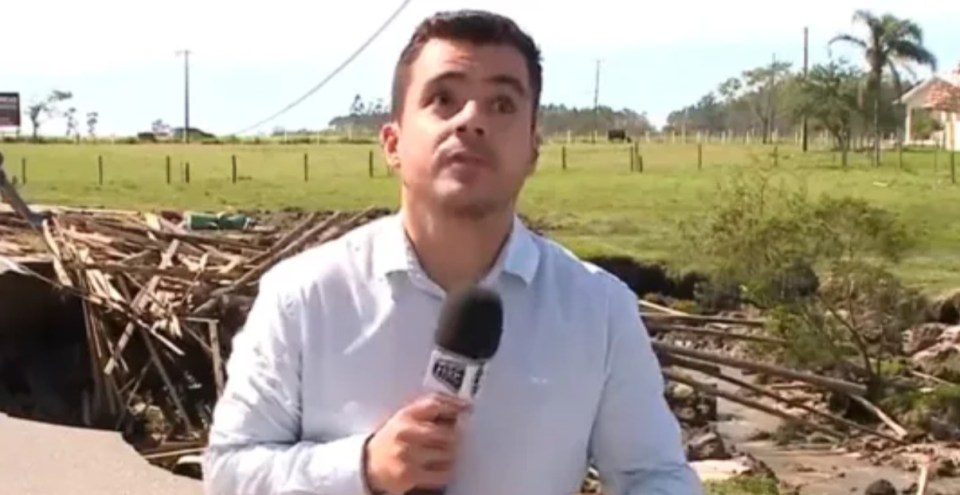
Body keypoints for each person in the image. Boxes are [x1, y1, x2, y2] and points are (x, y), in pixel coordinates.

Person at [203, 8, 702, 495]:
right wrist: (362, 468)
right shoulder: (303, 295)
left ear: (533, 147)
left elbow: (651, 476)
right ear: (393, 142)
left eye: (502, 104)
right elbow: (228, 472)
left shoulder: (600, 310)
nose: (471, 120)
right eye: (444, 98)